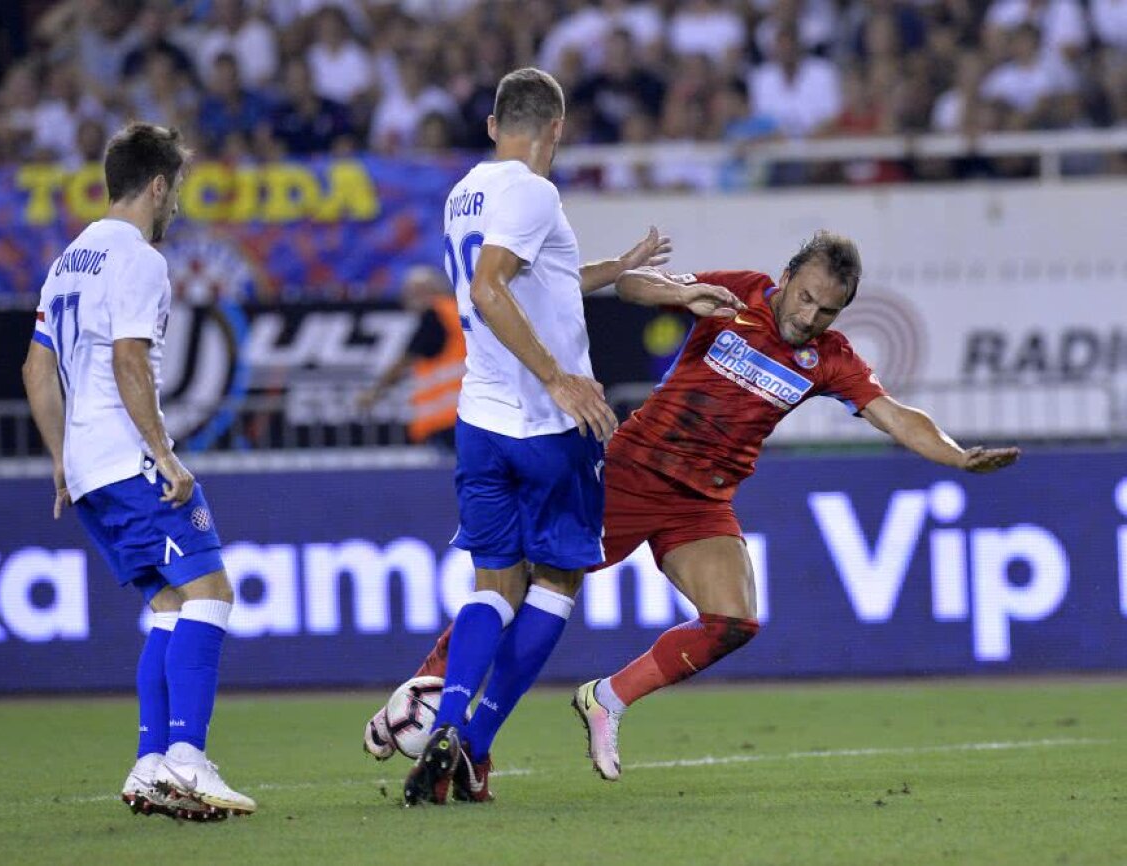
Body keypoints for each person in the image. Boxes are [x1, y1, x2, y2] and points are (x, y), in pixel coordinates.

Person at [369, 230, 1020, 784]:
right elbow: (632, 289)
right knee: (523, 593)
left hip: (701, 501)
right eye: (805, 298)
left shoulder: (829, 360)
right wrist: (681, 292)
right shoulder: (736, 293)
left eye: (827, 311)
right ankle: (422, 696)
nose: (809, 317)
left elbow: (896, 416)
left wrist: (958, 456)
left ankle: (608, 698)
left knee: (734, 621)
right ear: (788, 277)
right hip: (631, 473)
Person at [397, 67, 671, 806]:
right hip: (549, 427)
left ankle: (447, 725)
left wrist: (617, 268)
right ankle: (476, 747)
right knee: (555, 582)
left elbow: (533, 281)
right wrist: (557, 377)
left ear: (491, 125)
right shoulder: (534, 189)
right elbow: (490, 288)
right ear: (556, 130)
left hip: (480, 423)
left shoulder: (466, 193)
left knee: (492, 586)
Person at [21, 123, 255, 821]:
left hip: (90, 469)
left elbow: (36, 369)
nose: (177, 202)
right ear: (157, 185)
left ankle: (151, 763)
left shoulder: (68, 260)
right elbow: (129, 362)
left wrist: (62, 460)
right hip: (130, 459)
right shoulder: (139, 258)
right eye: (176, 187)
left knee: (168, 608)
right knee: (212, 590)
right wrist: (164, 453)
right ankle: (188, 758)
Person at [356, 266, 465, 450]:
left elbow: (406, 360)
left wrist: (374, 392)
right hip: (466, 411)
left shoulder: (436, 314)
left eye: (418, 291)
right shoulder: (458, 312)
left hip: (447, 416)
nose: (412, 297)